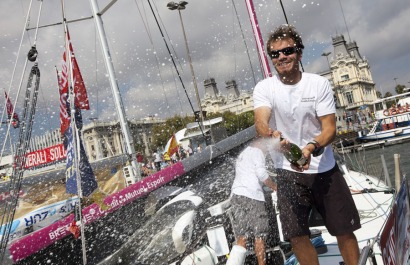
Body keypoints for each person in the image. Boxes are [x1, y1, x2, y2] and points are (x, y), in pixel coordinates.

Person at [253, 25, 360, 265]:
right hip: (288, 172)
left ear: (299, 53)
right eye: (275, 53)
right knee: (297, 236)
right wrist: (271, 135)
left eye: (288, 50)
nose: (281, 57)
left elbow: (329, 128)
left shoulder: (318, 84)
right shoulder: (264, 88)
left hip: (324, 168)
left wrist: (311, 147)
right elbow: (260, 121)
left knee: (343, 230)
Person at [229, 138, 277, 265]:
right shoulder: (258, 152)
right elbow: (261, 174)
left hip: (236, 195)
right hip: (252, 196)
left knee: (242, 236)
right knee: (259, 235)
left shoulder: (243, 153)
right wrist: (275, 187)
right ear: (260, 142)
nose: (267, 151)